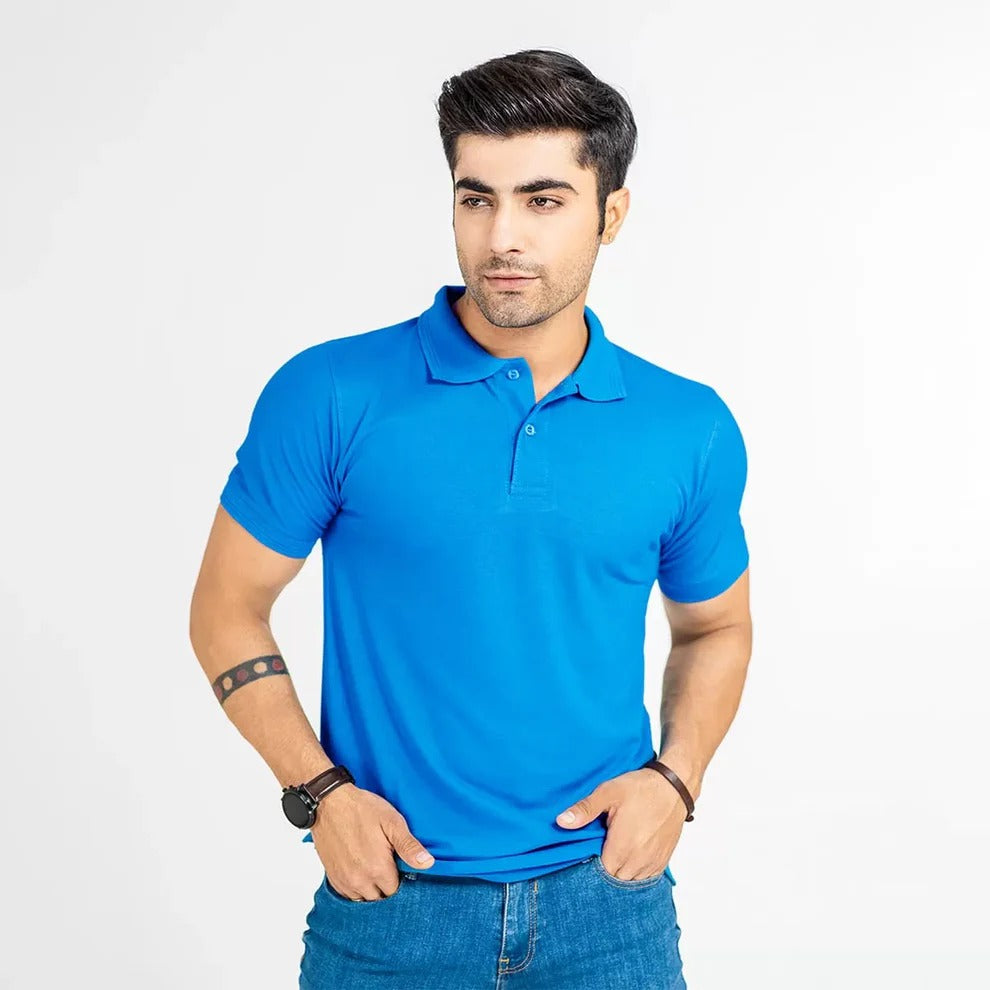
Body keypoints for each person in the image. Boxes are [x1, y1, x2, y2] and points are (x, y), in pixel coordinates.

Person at [189, 47, 752, 990]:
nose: (503, 238)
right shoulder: (332, 393)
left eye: (543, 200)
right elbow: (225, 607)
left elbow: (716, 627)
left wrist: (676, 780)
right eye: (476, 198)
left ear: (611, 214)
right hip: (390, 908)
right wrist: (319, 792)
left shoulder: (686, 426)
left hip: (609, 909)